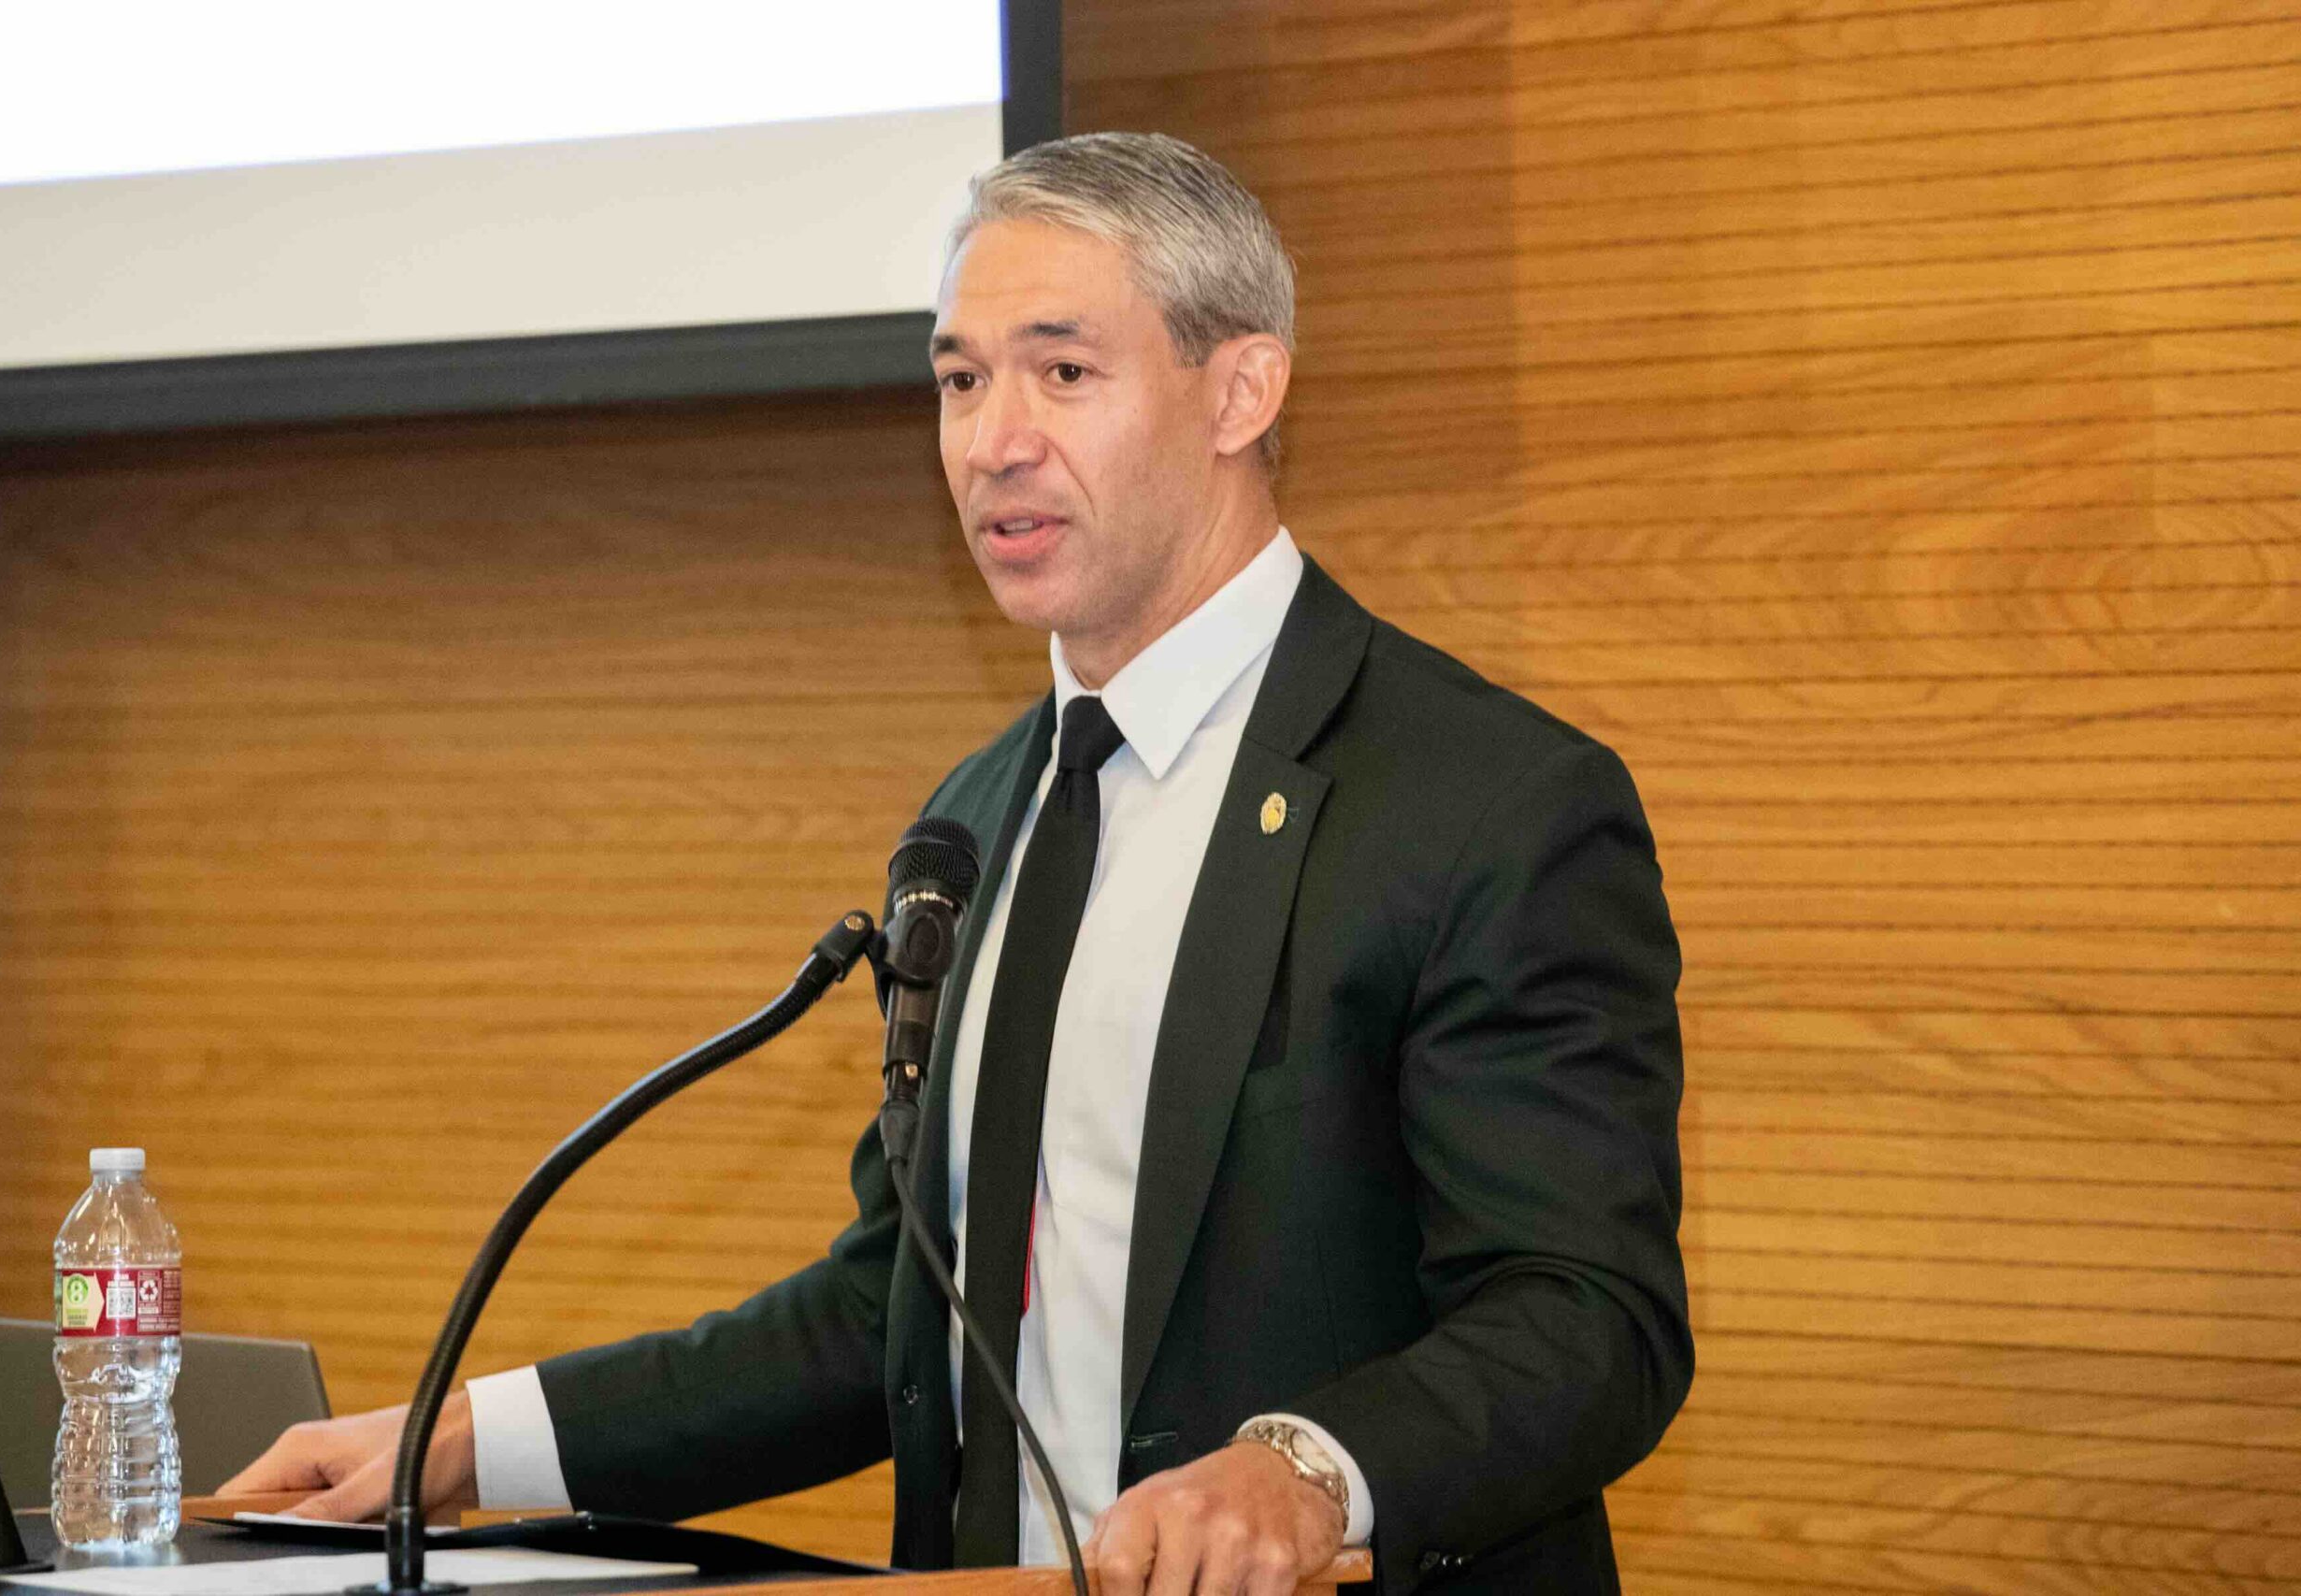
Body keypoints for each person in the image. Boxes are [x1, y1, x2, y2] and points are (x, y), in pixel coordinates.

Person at [226, 132, 1690, 1596]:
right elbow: (901, 1313)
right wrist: (467, 1441)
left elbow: (1587, 1314)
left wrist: (1310, 1469)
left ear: (1240, 392)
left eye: (1063, 371)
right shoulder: (978, 820)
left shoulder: (1489, 803)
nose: (993, 441)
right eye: (960, 379)